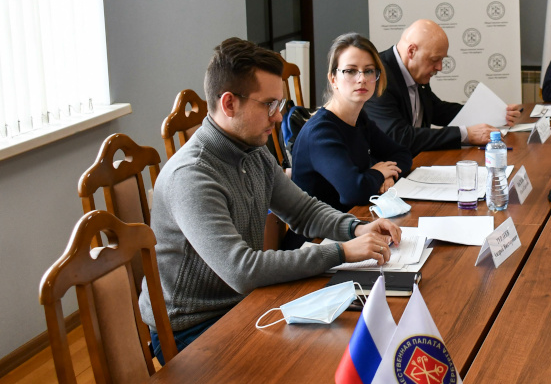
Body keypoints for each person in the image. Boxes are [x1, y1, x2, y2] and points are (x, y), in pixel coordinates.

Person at [138, 37, 401, 363]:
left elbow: (302, 210)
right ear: (229, 104)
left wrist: (356, 228)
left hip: (243, 303)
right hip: (192, 329)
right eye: (269, 105)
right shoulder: (191, 176)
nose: (278, 117)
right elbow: (242, 270)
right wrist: (342, 251)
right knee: (320, 361)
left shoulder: (251, 150)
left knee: (349, 345)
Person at [364, 19, 522, 156]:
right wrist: (465, 134)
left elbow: (436, 109)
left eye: (442, 60)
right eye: (435, 59)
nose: (439, 67)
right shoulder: (378, 77)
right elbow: (398, 136)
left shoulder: (415, 72)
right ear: (411, 51)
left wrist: (492, 114)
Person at [292, 33, 413, 211]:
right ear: (333, 79)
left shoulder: (360, 119)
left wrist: (388, 176)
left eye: (369, 70)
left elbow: (402, 154)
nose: (362, 79)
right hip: (321, 228)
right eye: (350, 71)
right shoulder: (320, 132)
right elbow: (354, 192)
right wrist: (378, 173)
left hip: (353, 219)